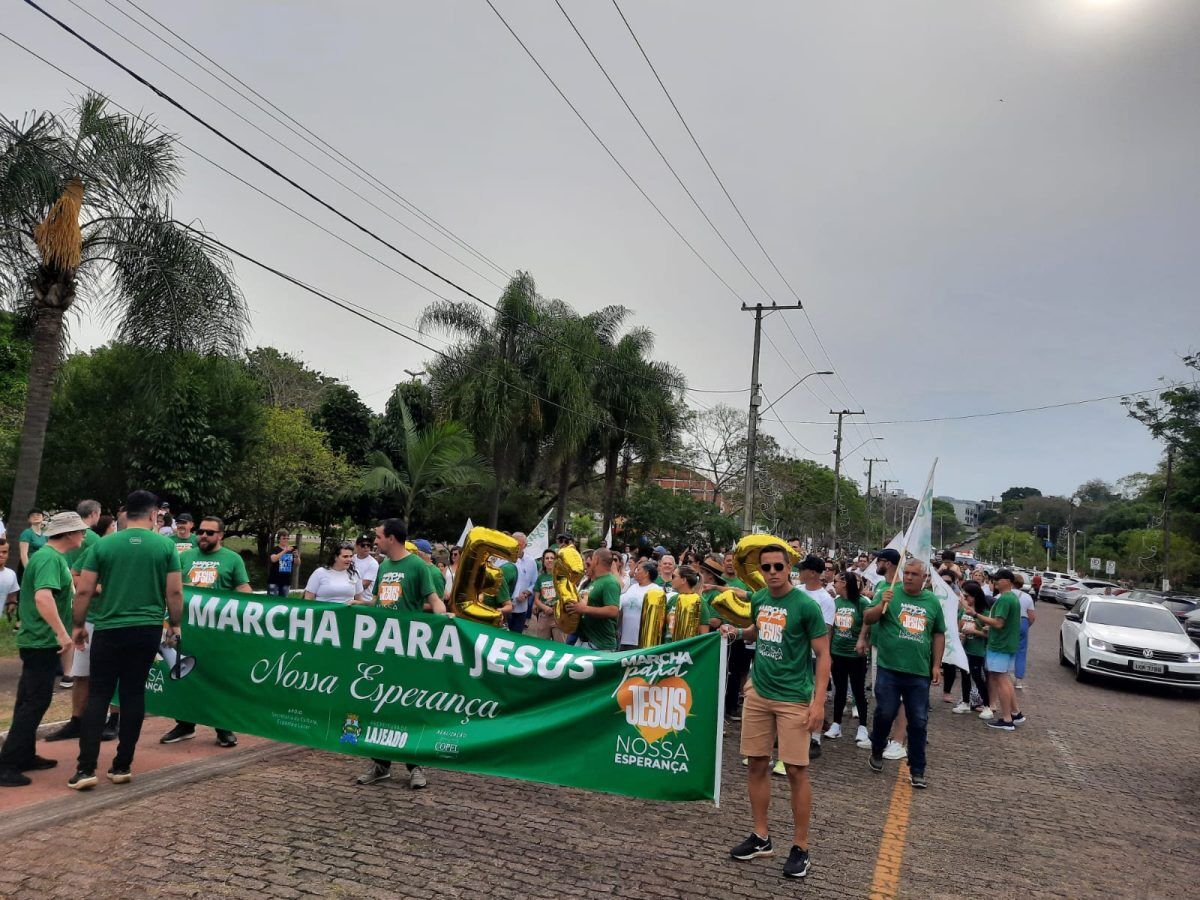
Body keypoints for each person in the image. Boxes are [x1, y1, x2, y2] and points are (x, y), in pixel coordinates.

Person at [724, 543, 829, 879]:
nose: (771, 573)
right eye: (766, 567)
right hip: (758, 692)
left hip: (793, 698)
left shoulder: (805, 606)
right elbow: (758, 628)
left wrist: (819, 702)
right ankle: (761, 837)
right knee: (756, 764)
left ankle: (801, 847)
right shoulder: (759, 598)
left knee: (796, 771)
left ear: (789, 569)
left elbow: (824, 656)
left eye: (777, 567)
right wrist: (737, 632)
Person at [70, 490, 183, 789]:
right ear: (153, 514)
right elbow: (174, 592)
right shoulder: (165, 546)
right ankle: (122, 766)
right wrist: (175, 624)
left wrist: (78, 625)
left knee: (99, 695)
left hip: (108, 628)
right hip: (146, 630)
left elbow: (83, 589)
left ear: (125, 513)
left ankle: (85, 770)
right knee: (133, 694)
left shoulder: (104, 545)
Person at [356, 518, 447, 789]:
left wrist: (445, 621)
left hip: (408, 651)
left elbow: (434, 601)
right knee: (379, 706)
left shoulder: (418, 566)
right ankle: (381, 763)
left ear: (392, 538)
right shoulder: (384, 566)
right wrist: (358, 604)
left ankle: (414, 765)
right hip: (381, 650)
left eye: (379, 536)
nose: (375, 541)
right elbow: (380, 600)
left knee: (406, 708)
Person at [0, 512, 87, 786]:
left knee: (28, 700)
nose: (84, 535)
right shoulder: (50, 559)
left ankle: (24, 754)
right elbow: (43, 597)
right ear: (69, 534)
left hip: (36, 640)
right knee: (35, 702)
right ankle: (7, 764)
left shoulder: (47, 557)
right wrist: (63, 635)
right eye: (81, 531)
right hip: (41, 641)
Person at [161, 516, 250, 747]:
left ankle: (223, 728)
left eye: (210, 533)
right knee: (183, 679)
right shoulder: (184, 557)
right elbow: (171, 590)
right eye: (200, 531)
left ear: (220, 535)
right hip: (187, 629)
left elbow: (244, 591)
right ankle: (185, 724)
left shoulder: (232, 559)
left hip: (219, 635)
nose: (203, 536)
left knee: (218, 680)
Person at [864, 558, 946, 789]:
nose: (909, 577)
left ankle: (918, 769)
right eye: (906, 573)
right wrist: (881, 606)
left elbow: (939, 633)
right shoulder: (890, 592)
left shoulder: (931, 601)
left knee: (919, 721)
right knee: (885, 713)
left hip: (918, 673)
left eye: (914, 574)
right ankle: (877, 748)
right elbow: (868, 618)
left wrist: (936, 665)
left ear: (924, 578)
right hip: (890, 669)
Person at [966, 569, 1024, 732]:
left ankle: (1007, 719)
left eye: (998, 579)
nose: (995, 581)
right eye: (994, 579)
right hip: (1006, 644)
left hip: (1000, 645)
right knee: (1004, 679)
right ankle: (1015, 713)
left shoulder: (1005, 599)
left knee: (1000, 679)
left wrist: (976, 614)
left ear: (1008, 581)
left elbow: (998, 623)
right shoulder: (1011, 598)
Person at [826, 570, 870, 745]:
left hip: (856, 655)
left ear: (844, 583)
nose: (834, 584)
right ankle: (836, 725)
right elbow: (830, 628)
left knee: (858, 690)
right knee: (840, 690)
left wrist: (862, 640)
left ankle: (863, 727)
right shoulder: (835, 602)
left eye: (836, 581)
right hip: (837, 653)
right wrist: (828, 652)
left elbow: (868, 622)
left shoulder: (862, 602)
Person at [565, 548, 621, 651]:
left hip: (600, 646)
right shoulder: (592, 581)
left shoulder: (610, 582)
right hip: (583, 641)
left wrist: (583, 609)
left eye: (588, 563)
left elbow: (613, 610)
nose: (586, 566)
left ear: (596, 560)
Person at [957, 580, 991, 718]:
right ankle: (965, 702)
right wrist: (960, 632)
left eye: (967, 597)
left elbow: (988, 634)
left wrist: (974, 631)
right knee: (965, 676)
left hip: (977, 651)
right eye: (964, 597)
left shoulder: (985, 613)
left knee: (977, 677)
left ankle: (987, 705)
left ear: (975, 596)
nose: (965, 599)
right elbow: (958, 625)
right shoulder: (963, 611)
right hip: (964, 648)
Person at [303, 542, 367, 605]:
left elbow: (360, 601)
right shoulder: (319, 573)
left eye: (351, 556)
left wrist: (356, 603)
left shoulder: (355, 574)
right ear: (335, 557)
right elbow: (308, 599)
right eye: (345, 556)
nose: (349, 559)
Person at [618, 559, 657, 651]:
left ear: (646, 573)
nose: (635, 571)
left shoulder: (655, 590)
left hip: (641, 640)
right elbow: (621, 607)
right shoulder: (632, 587)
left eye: (638, 569)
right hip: (624, 638)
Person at [529, 549, 564, 642]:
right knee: (542, 645)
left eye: (552, 558)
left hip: (559, 616)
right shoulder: (540, 578)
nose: (549, 560)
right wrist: (545, 608)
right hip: (544, 616)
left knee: (560, 647)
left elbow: (566, 596)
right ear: (543, 561)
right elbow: (536, 599)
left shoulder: (562, 577)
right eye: (547, 558)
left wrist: (556, 608)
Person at [509, 531, 538, 635]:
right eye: (514, 543)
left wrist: (527, 593)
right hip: (506, 607)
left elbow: (535, 582)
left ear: (525, 545)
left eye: (520, 545)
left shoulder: (531, 561)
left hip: (521, 608)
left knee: (516, 637)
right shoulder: (503, 560)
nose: (517, 547)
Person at [1013, 573, 1036, 690]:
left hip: (1009, 622)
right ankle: (1018, 680)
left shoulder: (1005, 595)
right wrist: (1026, 626)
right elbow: (1032, 617)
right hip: (1023, 622)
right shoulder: (1027, 597)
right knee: (1021, 651)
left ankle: (1004, 674)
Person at [267, 530, 300, 596]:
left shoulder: (290, 551)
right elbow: (273, 559)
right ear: (279, 539)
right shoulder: (275, 549)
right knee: (272, 601)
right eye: (284, 538)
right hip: (274, 580)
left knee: (284, 602)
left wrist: (296, 556)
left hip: (286, 581)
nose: (286, 540)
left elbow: (297, 564)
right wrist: (285, 551)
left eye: (287, 538)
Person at [0, 538, 18, 621]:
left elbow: (12, 594)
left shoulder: (11, 574)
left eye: (4, 552)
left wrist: (12, 603)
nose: (1, 555)